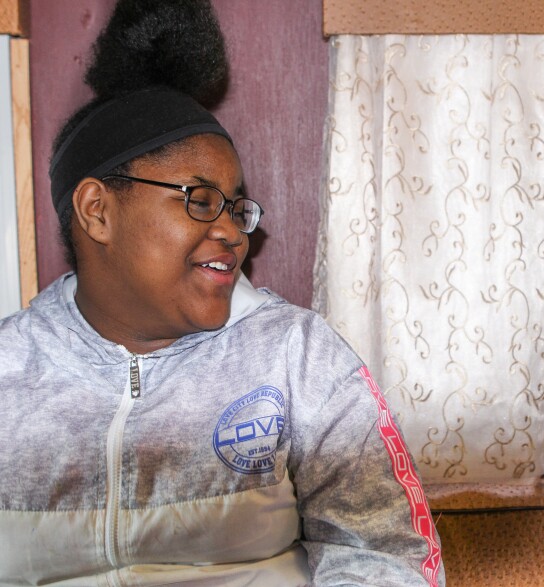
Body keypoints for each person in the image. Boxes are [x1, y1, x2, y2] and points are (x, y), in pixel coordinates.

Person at [0, 1, 443, 585]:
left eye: (236, 208)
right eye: (201, 200)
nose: (233, 232)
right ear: (97, 211)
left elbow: (386, 554)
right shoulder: (10, 371)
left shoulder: (296, 358)